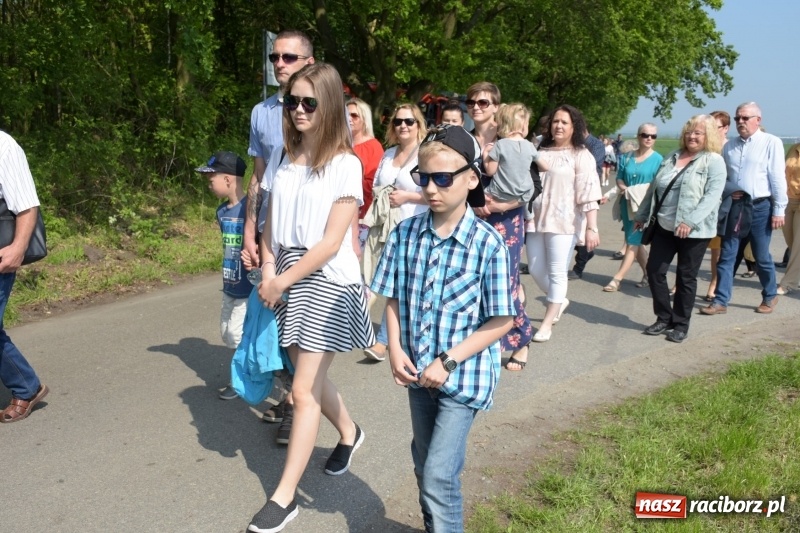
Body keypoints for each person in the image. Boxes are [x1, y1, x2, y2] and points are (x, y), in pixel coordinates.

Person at [246, 63, 375, 533]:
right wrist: (267, 267)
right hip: (283, 270)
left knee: (301, 390)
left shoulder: (345, 162)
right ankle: (349, 431)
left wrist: (280, 280)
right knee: (310, 377)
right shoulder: (282, 156)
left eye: (309, 102)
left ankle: (284, 499)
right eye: (291, 102)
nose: (298, 111)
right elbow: (270, 225)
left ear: (330, 106)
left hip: (325, 277)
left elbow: (330, 242)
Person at [370, 124, 515, 533]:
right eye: (424, 177)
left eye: (444, 178)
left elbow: (502, 320)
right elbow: (394, 297)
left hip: (462, 376)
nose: (432, 188)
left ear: (472, 178)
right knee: (425, 463)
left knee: (438, 474)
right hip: (418, 374)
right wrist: (395, 349)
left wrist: (448, 362)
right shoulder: (406, 233)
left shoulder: (489, 244)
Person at [242, 29, 315, 427]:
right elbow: (257, 175)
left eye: (288, 57)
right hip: (271, 234)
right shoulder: (261, 113)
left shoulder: (326, 107)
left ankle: (296, 402)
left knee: (302, 322)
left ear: (308, 61)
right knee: (274, 316)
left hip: (309, 236)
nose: (279, 64)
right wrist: (250, 228)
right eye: (274, 58)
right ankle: (291, 394)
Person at [634, 115, 725, 342]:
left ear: (709, 136)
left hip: (694, 231)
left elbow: (712, 197)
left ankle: (681, 324)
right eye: (689, 132)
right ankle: (664, 317)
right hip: (664, 225)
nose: (692, 136)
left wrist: (690, 221)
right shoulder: (672, 156)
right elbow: (654, 189)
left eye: (698, 133)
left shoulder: (713, 161)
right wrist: (643, 214)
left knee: (686, 277)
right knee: (655, 271)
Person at [701, 102, 788, 316]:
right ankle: (720, 300)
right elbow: (721, 176)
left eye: (745, 118)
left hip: (760, 207)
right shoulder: (728, 147)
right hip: (736, 208)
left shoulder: (771, 142)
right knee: (727, 255)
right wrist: (729, 190)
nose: (740, 122)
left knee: (761, 255)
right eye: (738, 118)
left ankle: (769, 295)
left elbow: (777, 177)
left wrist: (779, 209)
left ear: (758, 120)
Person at [525, 105, 602, 343]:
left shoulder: (581, 154)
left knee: (558, 272)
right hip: (536, 218)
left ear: (574, 126)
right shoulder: (539, 148)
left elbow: (589, 192)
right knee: (536, 269)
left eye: (564, 122)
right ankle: (559, 300)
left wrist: (592, 227)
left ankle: (547, 323)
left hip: (565, 221)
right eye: (555, 121)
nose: (558, 126)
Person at [362, 104, 428, 362]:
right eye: (398, 121)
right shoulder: (388, 154)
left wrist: (408, 196)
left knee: (398, 285)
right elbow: (377, 185)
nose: (403, 126)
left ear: (418, 125)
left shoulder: (426, 153)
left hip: (416, 226)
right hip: (386, 227)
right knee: (386, 280)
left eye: (409, 122)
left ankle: (383, 343)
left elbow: (438, 192)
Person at [481, 103, 543, 370]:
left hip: (505, 218)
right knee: (480, 283)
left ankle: (520, 337)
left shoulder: (510, 147)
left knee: (505, 282)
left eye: (484, 102)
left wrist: (500, 206)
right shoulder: (473, 139)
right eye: (472, 102)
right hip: (476, 218)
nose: (476, 107)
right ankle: (485, 342)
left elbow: (533, 187)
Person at [0, 130, 49, 423]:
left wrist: (18, 248)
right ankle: (27, 385)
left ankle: (26, 388)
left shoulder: (3, 145)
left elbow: (27, 203)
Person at [194, 151, 250, 400]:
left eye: (211, 179)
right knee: (227, 332)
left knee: (237, 333)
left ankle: (241, 381)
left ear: (228, 180)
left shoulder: (251, 208)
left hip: (248, 286)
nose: (209, 184)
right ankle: (248, 372)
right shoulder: (221, 212)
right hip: (229, 283)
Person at [603, 124, 663, 292]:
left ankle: (617, 278)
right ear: (638, 136)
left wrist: (637, 191)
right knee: (634, 242)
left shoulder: (658, 159)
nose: (649, 138)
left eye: (653, 135)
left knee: (633, 242)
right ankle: (648, 275)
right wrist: (625, 189)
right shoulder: (627, 157)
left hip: (643, 207)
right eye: (645, 135)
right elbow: (620, 178)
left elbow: (658, 184)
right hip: (627, 203)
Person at [569, 126, 606, 280]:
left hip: (589, 190)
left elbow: (594, 166)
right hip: (571, 191)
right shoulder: (572, 144)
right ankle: (585, 252)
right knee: (573, 225)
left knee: (584, 228)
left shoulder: (596, 145)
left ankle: (579, 266)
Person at [702, 110, 731, 300]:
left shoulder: (729, 148)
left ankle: (714, 282)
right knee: (692, 245)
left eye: (715, 126)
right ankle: (682, 282)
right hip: (703, 200)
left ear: (725, 128)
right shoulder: (705, 147)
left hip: (723, 202)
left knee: (717, 249)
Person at [347, 98, 384, 221]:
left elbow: (373, 183)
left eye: (354, 115)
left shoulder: (373, 147)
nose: (349, 118)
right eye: (346, 114)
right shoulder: (337, 143)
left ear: (364, 119)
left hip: (361, 211)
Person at [777, 142, 800, 294]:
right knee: (791, 241)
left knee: (798, 245)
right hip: (788, 200)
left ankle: (788, 283)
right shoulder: (794, 148)